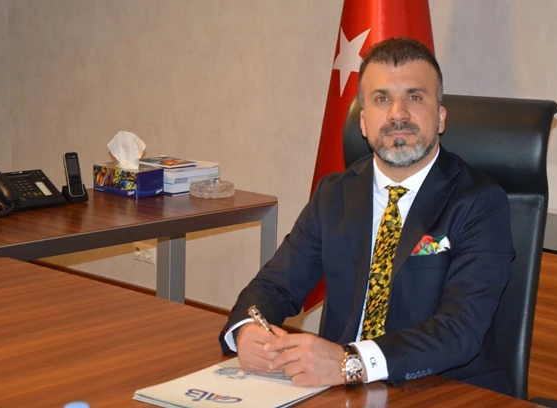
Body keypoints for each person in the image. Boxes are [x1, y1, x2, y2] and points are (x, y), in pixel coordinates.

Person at [219, 37, 514, 395]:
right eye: (381, 99)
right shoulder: (334, 194)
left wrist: (352, 362)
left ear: (440, 117)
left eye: (414, 97)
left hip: (443, 391)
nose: (397, 114)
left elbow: (459, 330)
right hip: (340, 390)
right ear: (363, 122)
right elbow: (275, 285)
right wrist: (247, 331)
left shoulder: (480, 202)